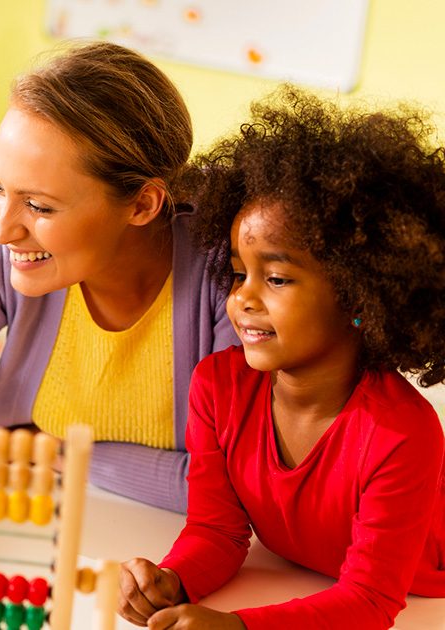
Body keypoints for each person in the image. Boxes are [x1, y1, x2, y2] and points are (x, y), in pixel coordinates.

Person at [0, 41, 237, 628]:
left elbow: (233, 492)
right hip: (27, 538)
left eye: (41, 206)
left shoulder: (227, 266)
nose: (3, 228)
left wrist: (51, 453)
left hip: (171, 567)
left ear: (145, 203)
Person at [118, 87, 445, 630]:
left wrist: (238, 626)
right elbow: (216, 532)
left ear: (359, 295)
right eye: (240, 271)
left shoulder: (401, 433)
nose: (243, 297)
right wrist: (171, 580)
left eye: (275, 278)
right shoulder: (218, 388)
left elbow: (370, 599)